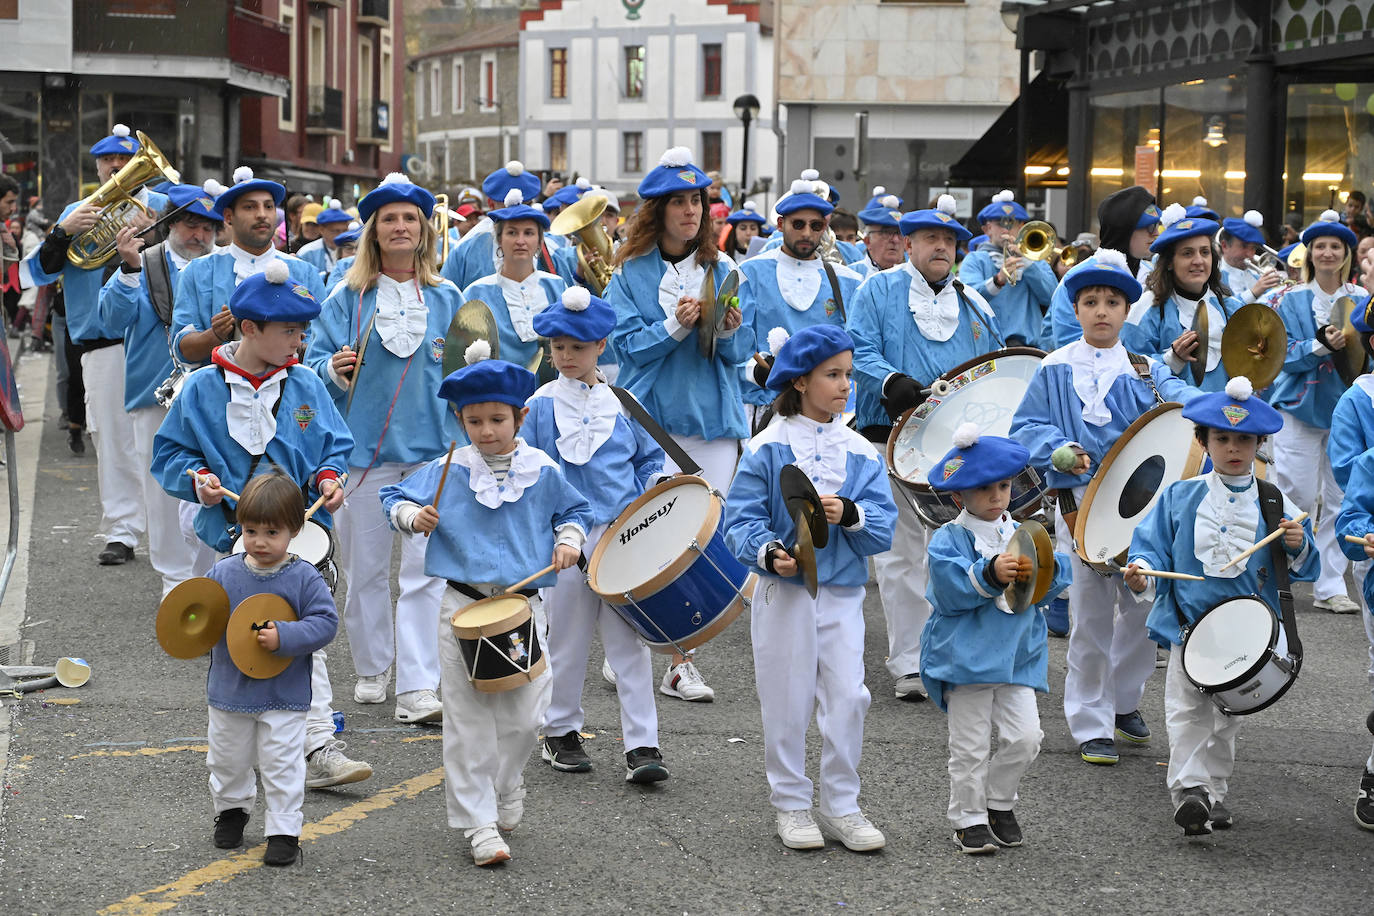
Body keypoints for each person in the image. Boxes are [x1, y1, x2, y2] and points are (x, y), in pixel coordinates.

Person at [151, 261, 373, 792]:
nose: (300, 342)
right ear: (249, 329)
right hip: (226, 535)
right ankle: (238, 743)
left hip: (293, 535)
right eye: (290, 332)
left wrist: (327, 478)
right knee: (230, 640)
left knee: (301, 636)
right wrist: (197, 476)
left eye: (302, 331)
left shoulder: (304, 384)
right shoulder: (201, 387)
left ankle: (318, 743)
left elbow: (334, 446)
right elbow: (169, 454)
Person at [379, 346, 592, 867]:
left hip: (523, 609)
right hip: (462, 610)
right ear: (460, 420)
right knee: (469, 721)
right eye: (474, 420)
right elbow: (392, 498)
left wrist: (568, 539)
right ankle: (478, 823)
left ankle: (509, 781)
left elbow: (575, 510)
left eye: (497, 419)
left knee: (525, 716)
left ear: (520, 416)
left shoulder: (541, 469)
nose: (486, 430)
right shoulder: (449, 468)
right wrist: (412, 514)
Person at [1010, 248, 1198, 766]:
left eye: (1112, 301)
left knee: (1142, 609)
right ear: (1075, 310)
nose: (1101, 311)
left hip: (1143, 512)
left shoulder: (1146, 369)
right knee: (1090, 614)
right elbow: (1023, 425)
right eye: (1090, 301)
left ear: (1125, 310)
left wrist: (1226, 399)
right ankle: (1091, 719)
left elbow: (1183, 408)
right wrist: (1056, 448)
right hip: (1081, 507)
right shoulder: (1053, 367)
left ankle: (1125, 701)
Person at [724, 324, 895, 852]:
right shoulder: (766, 447)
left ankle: (842, 804)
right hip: (785, 595)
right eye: (833, 375)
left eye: (848, 374)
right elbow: (738, 519)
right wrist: (769, 554)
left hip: (843, 593)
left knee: (849, 698)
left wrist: (851, 513)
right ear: (799, 382)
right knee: (787, 700)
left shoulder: (861, 451)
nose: (847, 385)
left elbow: (883, 526)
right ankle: (792, 804)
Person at [1127, 377, 1315, 835]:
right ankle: (1189, 792)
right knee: (1186, 710)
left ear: (1259, 444)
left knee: (1225, 719)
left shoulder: (1275, 501)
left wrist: (1296, 543)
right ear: (1203, 441)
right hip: (1188, 627)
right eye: (1222, 438)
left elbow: (1306, 564)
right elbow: (1150, 547)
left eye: (1245, 440)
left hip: (1246, 635)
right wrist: (1141, 568)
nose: (1233, 448)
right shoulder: (1179, 496)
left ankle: (1214, 793)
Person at [305, 173, 460, 724]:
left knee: (424, 575)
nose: (400, 226)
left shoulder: (448, 298)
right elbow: (309, 369)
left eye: (410, 218)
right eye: (390, 218)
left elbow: (464, 376)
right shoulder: (345, 297)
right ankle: (373, 667)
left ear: (424, 231)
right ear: (374, 231)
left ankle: (419, 685)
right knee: (365, 571)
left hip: (430, 457)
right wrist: (332, 368)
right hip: (360, 457)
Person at [607, 146, 753, 702]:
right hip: (651, 423)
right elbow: (626, 350)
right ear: (658, 210)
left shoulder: (726, 269)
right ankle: (634, 639)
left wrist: (728, 330)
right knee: (651, 540)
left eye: (698, 200)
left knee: (699, 544)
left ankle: (679, 659)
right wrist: (673, 325)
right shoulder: (628, 273)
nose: (691, 211)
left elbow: (737, 355)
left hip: (713, 420)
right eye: (680, 202)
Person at [847, 193, 1004, 702]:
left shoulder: (976, 302)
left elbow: (994, 366)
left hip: (957, 446)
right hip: (888, 438)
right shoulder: (877, 289)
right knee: (902, 554)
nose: (942, 247)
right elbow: (857, 346)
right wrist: (890, 379)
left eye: (950, 240)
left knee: (962, 549)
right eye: (932, 239)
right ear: (907, 243)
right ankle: (909, 661)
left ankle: (961, 654)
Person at [522, 287, 669, 781]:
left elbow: (649, 460)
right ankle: (560, 731)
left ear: (601, 346)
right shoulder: (540, 405)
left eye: (577, 347)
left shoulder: (624, 402)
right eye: (557, 346)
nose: (566, 356)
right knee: (565, 639)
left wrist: (659, 485)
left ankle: (643, 745)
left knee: (629, 644)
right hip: (568, 539)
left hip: (622, 538)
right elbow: (529, 467)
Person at [19, 123, 168, 566]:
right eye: (109, 161)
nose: (118, 167)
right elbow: (40, 272)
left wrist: (154, 231)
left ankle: (168, 530)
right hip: (101, 339)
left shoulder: (160, 205)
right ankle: (123, 529)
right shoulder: (75, 210)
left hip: (154, 334)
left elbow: (192, 250)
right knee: (111, 436)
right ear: (98, 166)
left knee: (162, 437)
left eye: (125, 160)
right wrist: (62, 233)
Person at [921, 425, 1070, 854]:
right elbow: (946, 590)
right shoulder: (950, 537)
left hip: (1017, 656)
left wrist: (1047, 570)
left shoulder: (1023, 531)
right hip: (967, 656)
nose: (996, 496)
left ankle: (999, 801)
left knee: (1027, 738)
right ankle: (968, 817)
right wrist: (989, 573)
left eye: (1003, 486)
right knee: (968, 747)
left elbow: (1054, 576)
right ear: (958, 496)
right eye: (983, 488)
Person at [202, 472, 340, 867]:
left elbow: (325, 623)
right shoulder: (225, 572)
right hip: (230, 690)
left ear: (295, 531)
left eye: (272, 532)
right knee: (226, 758)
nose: (260, 541)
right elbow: (203, 615)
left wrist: (286, 636)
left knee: (282, 763)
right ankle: (231, 810)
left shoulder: (303, 576)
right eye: (250, 530)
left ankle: (284, 831)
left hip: (284, 693)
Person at [96, 183, 221, 596]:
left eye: (208, 226)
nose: (198, 235)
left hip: (217, 396)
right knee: (164, 489)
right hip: (155, 394)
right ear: (169, 223)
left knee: (215, 485)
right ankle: (176, 579)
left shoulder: (221, 267)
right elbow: (111, 322)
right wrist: (127, 270)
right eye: (190, 223)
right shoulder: (144, 262)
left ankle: (214, 575)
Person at [1268, 209, 1366, 613]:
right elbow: (1278, 355)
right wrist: (1322, 346)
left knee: (1343, 497)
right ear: (1309, 253)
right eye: (1320, 246)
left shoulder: (1362, 300)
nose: (1327, 253)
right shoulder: (1288, 299)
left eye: (1335, 246)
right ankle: (1283, 574)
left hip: (1346, 410)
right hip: (1298, 407)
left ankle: (1330, 586)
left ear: (1347, 254)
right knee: (1296, 494)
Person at [738, 175, 862, 433]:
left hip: (825, 415)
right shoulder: (750, 272)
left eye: (816, 225)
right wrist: (756, 372)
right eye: (798, 224)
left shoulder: (847, 280)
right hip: (766, 407)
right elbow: (733, 343)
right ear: (781, 224)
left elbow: (858, 347)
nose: (807, 233)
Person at [171, 167, 324, 368]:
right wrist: (214, 334)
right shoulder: (196, 271)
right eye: (250, 207)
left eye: (268, 207)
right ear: (228, 217)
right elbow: (182, 350)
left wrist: (295, 341)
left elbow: (322, 347)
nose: (262, 215)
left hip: (288, 394)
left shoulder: (305, 272)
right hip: (216, 394)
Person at [1124, 205, 1240, 392]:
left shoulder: (1231, 307)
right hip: (1172, 417)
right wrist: (1172, 358)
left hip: (1224, 416)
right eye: (1187, 253)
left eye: (1204, 252)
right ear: (1169, 262)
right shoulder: (1146, 309)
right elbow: (1128, 372)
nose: (1198, 261)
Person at [462, 190, 567, 373]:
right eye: (512, 233)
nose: (520, 241)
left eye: (528, 233)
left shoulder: (557, 287)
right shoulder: (476, 292)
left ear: (540, 240)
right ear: (499, 240)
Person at [1044, 186, 1160, 349]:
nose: (1156, 233)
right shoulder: (1077, 277)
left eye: (1157, 225)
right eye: (1149, 227)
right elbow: (1066, 342)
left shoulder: (1154, 274)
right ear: (1124, 230)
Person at [959, 190, 1056, 348]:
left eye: (1012, 223)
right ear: (987, 229)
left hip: (1031, 348)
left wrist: (1026, 260)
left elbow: (1051, 296)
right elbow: (968, 300)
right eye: (1000, 223)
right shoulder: (975, 259)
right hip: (989, 349)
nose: (1006, 229)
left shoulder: (1035, 261)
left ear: (1021, 227)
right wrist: (998, 281)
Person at [441, 162, 543, 292]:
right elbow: (448, 299)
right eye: (508, 208)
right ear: (491, 204)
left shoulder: (549, 247)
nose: (519, 215)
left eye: (526, 206)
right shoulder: (465, 248)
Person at [1216, 210, 1283, 305]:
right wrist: (1254, 292)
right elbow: (1225, 310)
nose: (1250, 254)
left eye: (1254, 248)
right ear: (1225, 246)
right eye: (1244, 246)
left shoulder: (1256, 275)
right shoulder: (1215, 277)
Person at [295, 199, 353, 282]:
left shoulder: (353, 251)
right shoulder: (307, 253)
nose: (341, 235)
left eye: (344, 231)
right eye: (335, 231)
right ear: (321, 229)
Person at [849, 195, 906, 279]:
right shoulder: (850, 275)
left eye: (900, 233)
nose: (895, 240)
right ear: (868, 241)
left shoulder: (913, 277)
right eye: (887, 233)